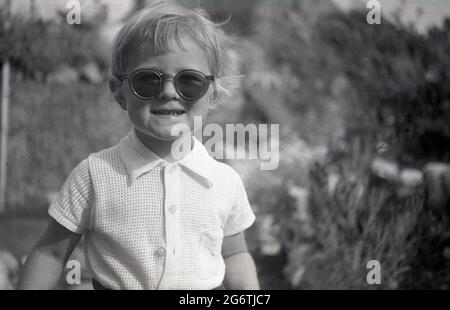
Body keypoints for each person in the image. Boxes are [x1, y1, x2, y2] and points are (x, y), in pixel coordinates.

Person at [17, 0, 259, 290]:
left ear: (213, 95)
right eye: (148, 80)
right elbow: (51, 253)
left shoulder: (224, 182)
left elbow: (235, 254)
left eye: (190, 81)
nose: (169, 91)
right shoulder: (95, 176)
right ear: (120, 93)